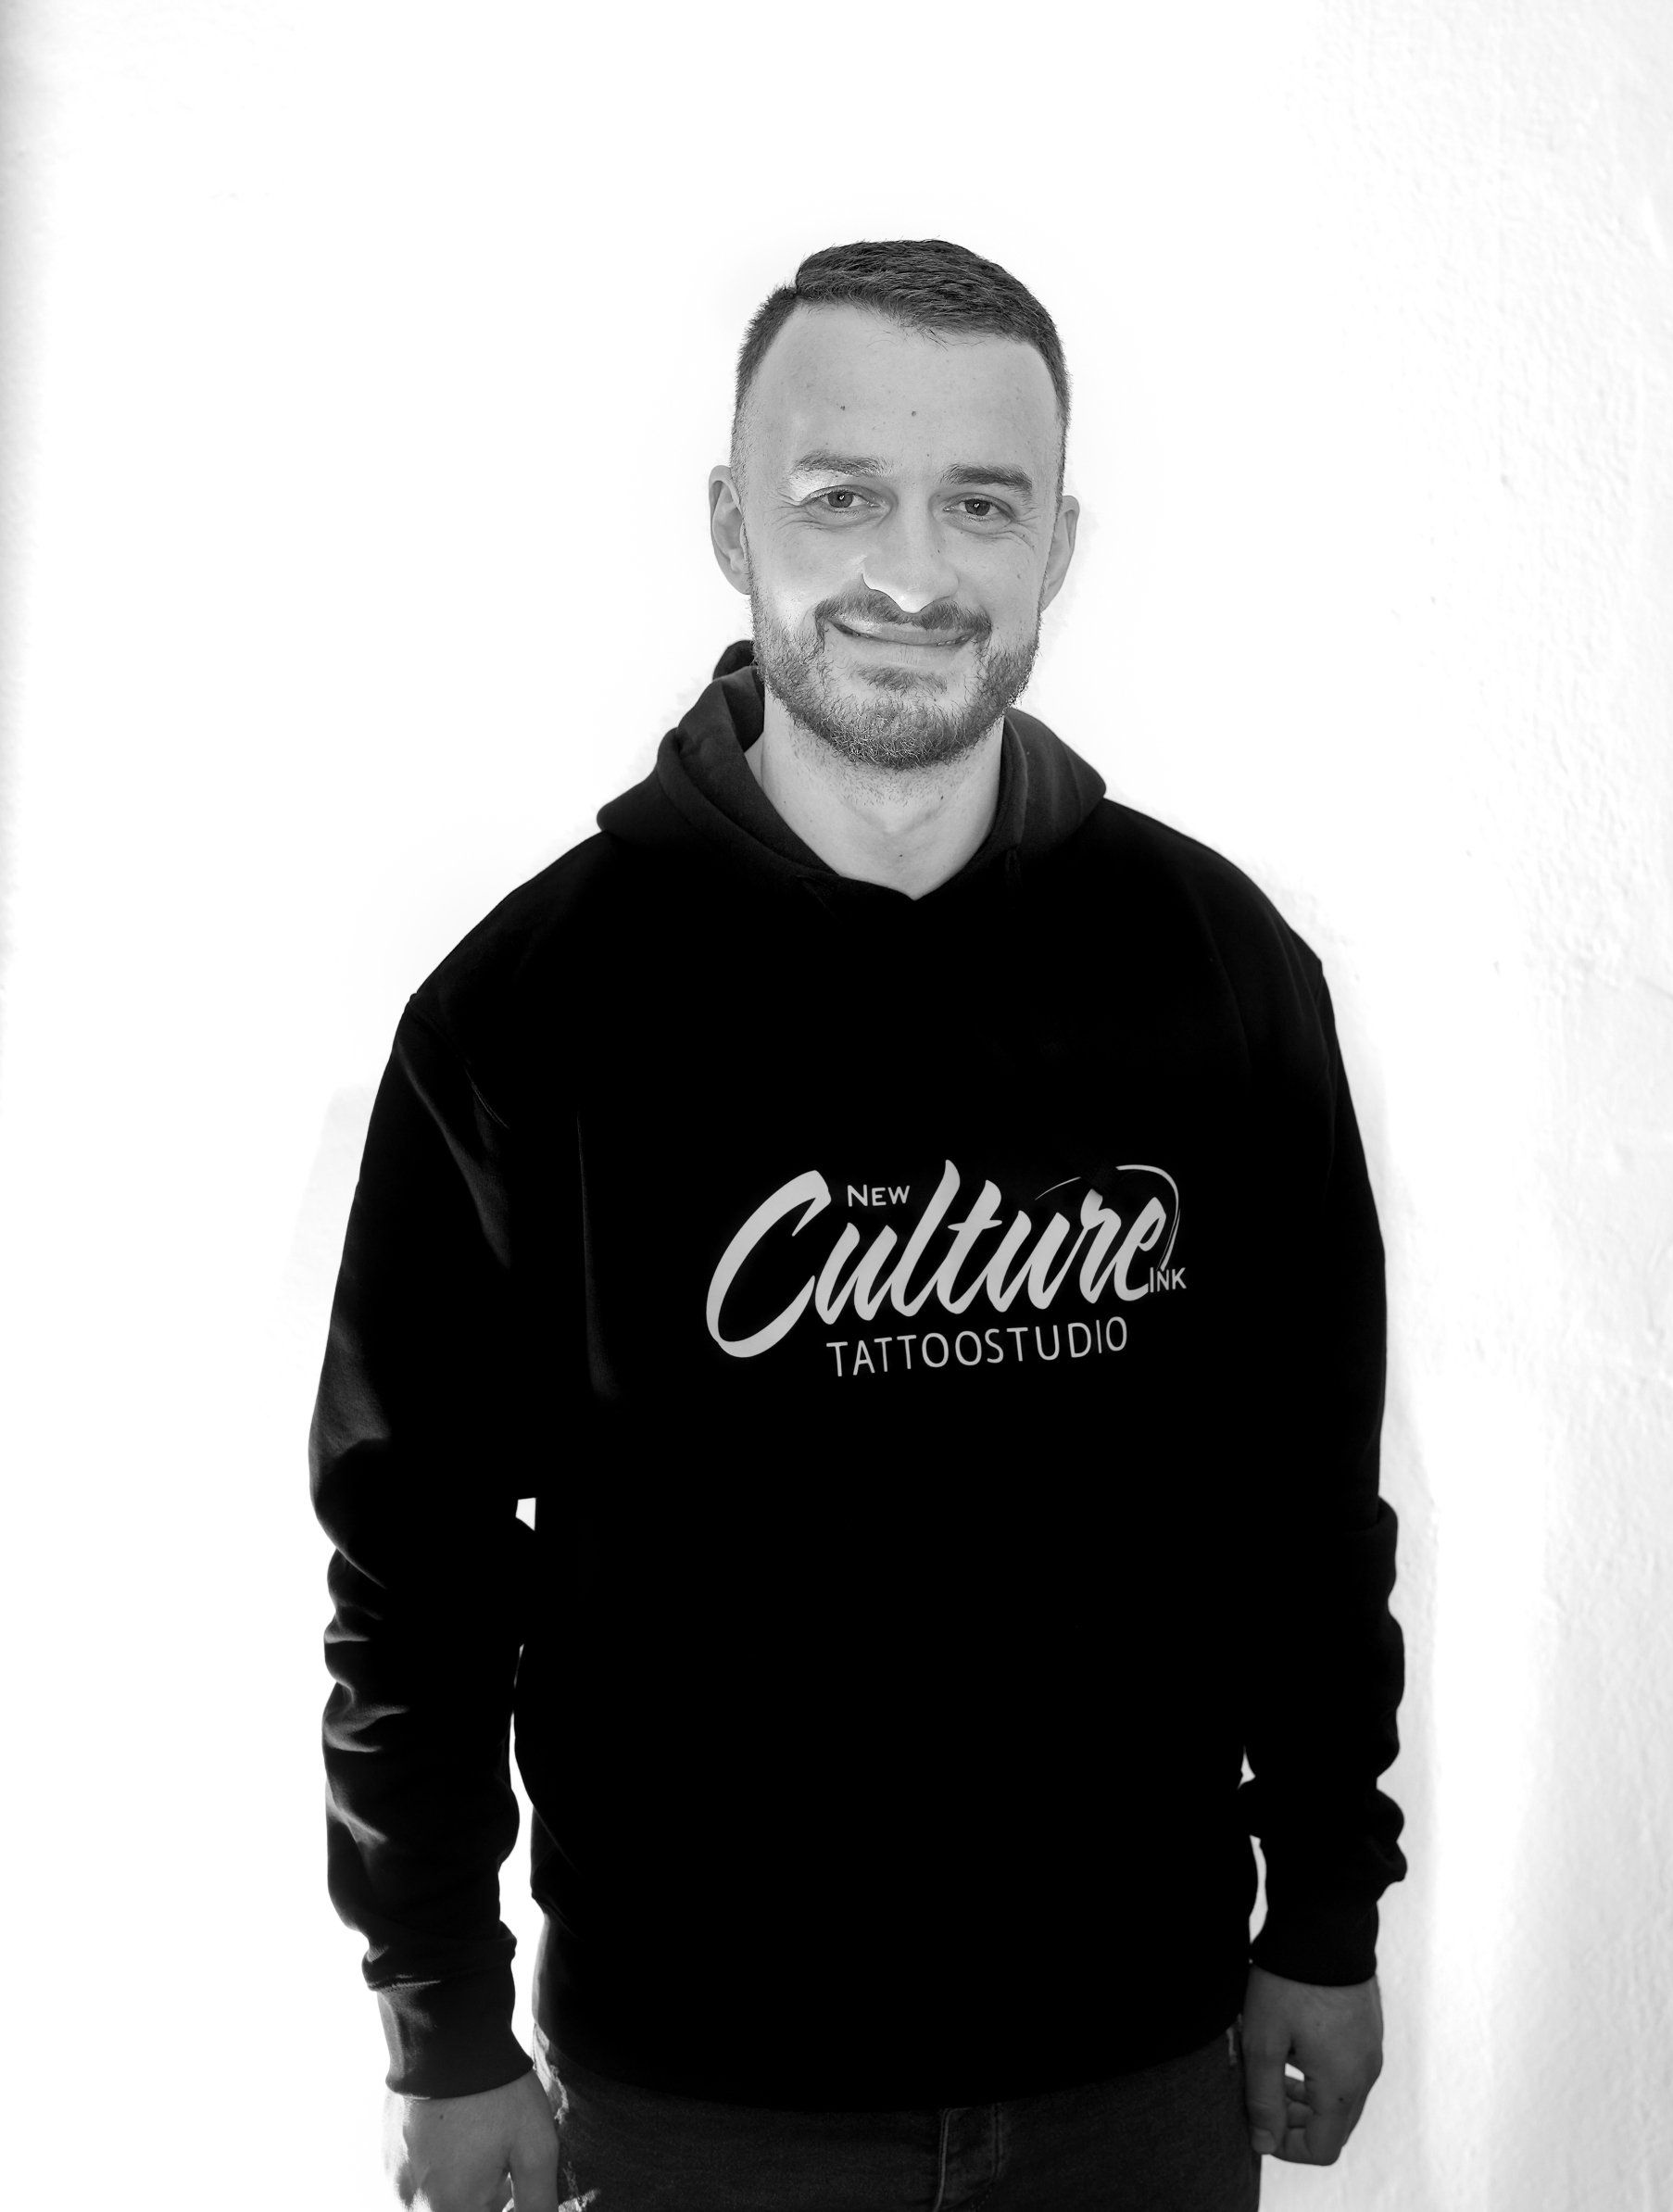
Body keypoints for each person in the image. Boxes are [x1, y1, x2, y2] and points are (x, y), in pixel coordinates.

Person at [311, 236, 1407, 2212]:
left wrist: (1326, 1908)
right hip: (695, 2094)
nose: (913, 570)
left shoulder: (1218, 970)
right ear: (732, 524)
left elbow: (1304, 1496)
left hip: (1138, 2066)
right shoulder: (528, 1015)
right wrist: (439, 2021)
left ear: (1060, 546)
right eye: (841, 498)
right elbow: (419, 1571)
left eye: (980, 503)